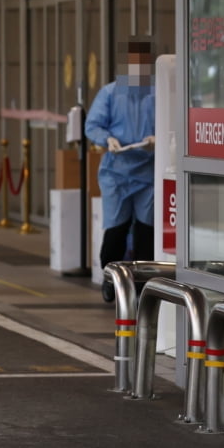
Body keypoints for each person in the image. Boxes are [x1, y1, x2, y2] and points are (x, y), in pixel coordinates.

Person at [85, 37, 157, 301]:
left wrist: (158, 138)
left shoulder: (159, 92)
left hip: (148, 173)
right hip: (117, 173)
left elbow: (174, 122)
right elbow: (92, 125)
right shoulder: (110, 92)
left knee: (146, 232)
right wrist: (107, 139)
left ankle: (143, 286)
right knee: (116, 228)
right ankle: (110, 280)